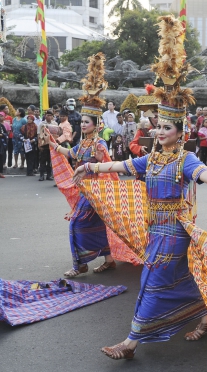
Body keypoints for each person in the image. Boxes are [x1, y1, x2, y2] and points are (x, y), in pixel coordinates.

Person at [72, 17, 207, 359]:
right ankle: (206, 315)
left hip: (175, 231)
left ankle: (130, 343)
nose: (159, 132)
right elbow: (121, 166)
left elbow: (206, 174)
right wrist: (90, 166)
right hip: (154, 230)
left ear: (180, 132)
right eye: (158, 126)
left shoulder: (184, 160)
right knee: (178, 278)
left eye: (167, 128)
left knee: (152, 282)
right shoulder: (152, 160)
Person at [48, 53, 116, 278]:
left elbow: (103, 163)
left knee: (76, 224)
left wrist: (92, 162)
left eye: (87, 122)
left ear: (96, 125)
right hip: (84, 190)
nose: (83, 124)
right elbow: (71, 153)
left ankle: (80, 265)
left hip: (96, 191)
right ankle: (109, 260)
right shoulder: (83, 142)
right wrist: (54, 145)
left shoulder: (99, 143)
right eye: (83, 121)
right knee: (98, 224)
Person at [37, 110, 61, 181]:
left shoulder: (55, 124)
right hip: (44, 144)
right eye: (47, 115)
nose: (49, 117)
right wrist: (39, 145)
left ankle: (49, 175)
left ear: (52, 116)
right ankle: (41, 175)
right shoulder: (41, 124)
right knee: (42, 160)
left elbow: (57, 134)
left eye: (50, 115)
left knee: (50, 161)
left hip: (52, 144)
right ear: (45, 116)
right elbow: (39, 134)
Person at [0, 113, 8, 178]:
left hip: (1, 144)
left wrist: (2, 135)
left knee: (1, 158)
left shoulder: (1, 126)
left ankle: (0, 172)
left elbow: (6, 133)